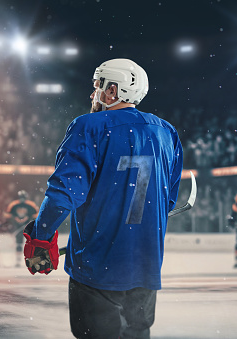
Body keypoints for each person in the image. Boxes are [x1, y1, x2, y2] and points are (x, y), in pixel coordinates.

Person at [22, 58, 183, 339]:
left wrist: (41, 237)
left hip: (97, 267)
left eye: (97, 87)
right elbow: (167, 200)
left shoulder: (90, 126)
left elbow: (63, 195)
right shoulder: (166, 132)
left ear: (113, 91)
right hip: (146, 267)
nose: (92, 94)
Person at [4, 190, 39, 267]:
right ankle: (18, 261)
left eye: (23, 197)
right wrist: (12, 222)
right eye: (21, 197)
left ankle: (34, 259)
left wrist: (30, 221)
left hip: (28, 226)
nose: (22, 199)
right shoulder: (14, 205)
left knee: (33, 242)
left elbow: (36, 216)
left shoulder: (31, 205)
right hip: (17, 226)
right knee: (19, 243)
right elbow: (8, 215)